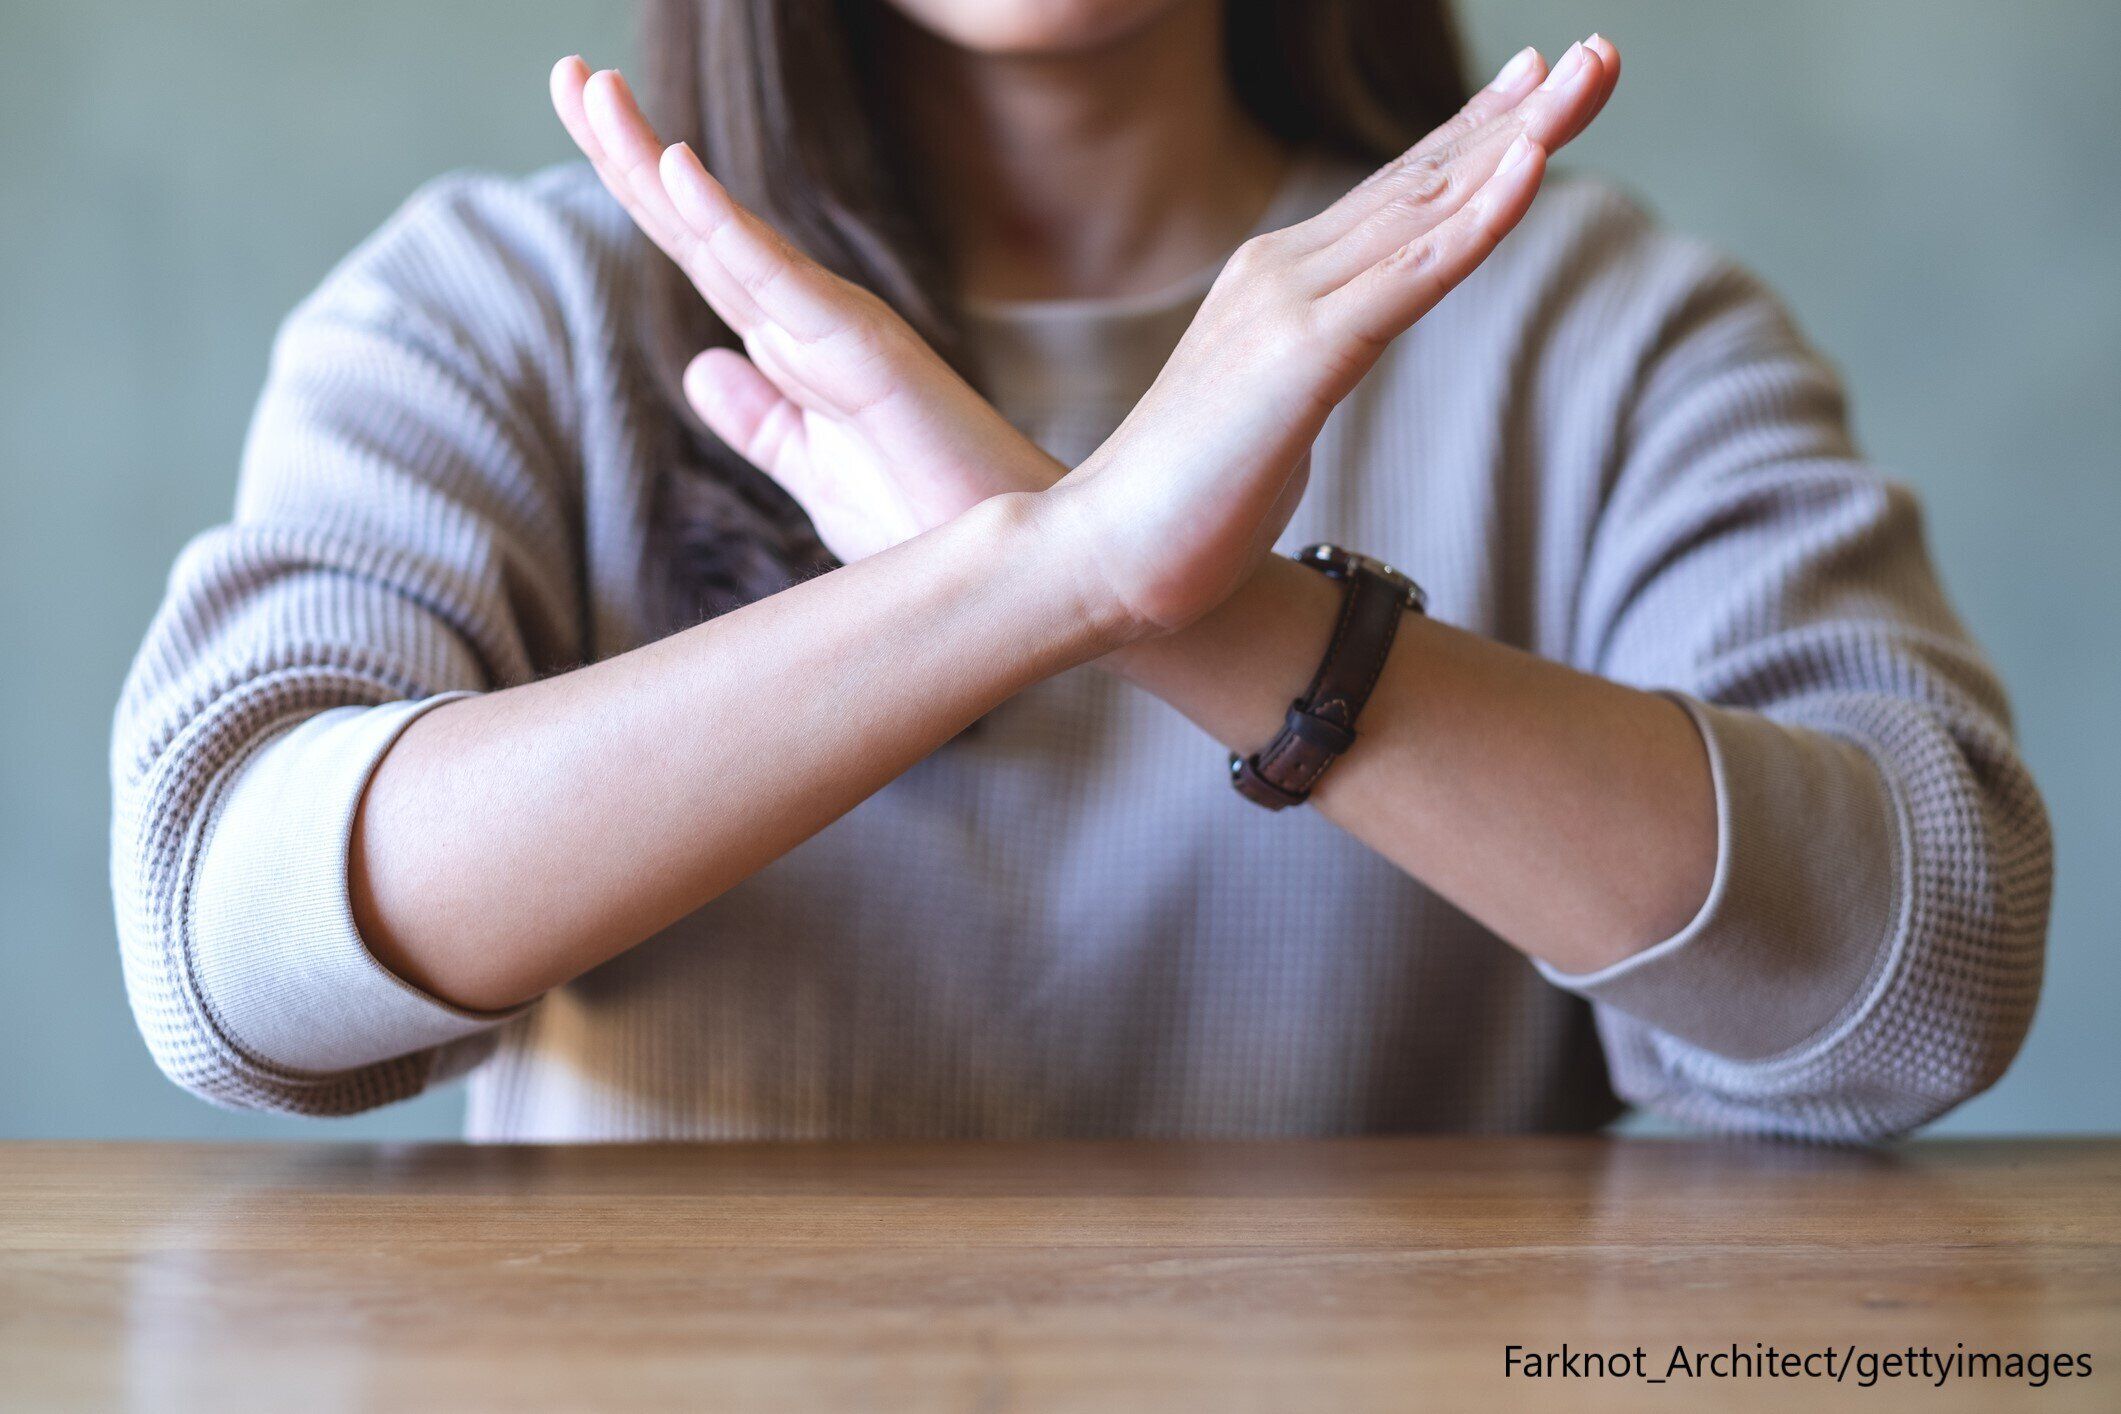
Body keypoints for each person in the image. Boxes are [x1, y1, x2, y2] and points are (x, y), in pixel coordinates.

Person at [112, 0, 2049, 1140]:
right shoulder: (502, 310)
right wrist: (1034, 576)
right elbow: (233, 949)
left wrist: (1187, 606)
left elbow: (1910, 981)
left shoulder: (1594, 323)